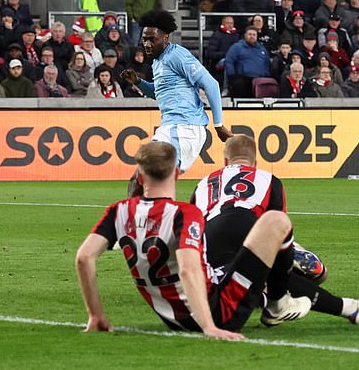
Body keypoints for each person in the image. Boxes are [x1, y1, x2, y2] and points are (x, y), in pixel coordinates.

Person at [76, 141, 304, 338]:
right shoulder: (183, 213)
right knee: (276, 221)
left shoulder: (119, 211)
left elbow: (84, 258)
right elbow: (187, 270)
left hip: (172, 318)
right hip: (218, 312)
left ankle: (274, 299)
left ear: (139, 175)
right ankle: (278, 303)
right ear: (176, 173)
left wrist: (96, 315)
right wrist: (209, 327)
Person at [191, 135, 359, 325]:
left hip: (211, 233)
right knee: (275, 273)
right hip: (248, 225)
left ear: (225, 161)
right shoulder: (269, 179)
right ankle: (278, 303)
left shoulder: (204, 182)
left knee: (235, 281)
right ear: (256, 162)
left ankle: (351, 308)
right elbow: (277, 225)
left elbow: (194, 225)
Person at [121, 10, 232, 176]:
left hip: (185, 126)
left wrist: (218, 125)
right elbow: (159, 93)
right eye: (144, 39)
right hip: (171, 126)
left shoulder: (177, 55)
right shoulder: (158, 61)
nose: (147, 44)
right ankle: (155, 202)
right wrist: (138, 82)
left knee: (153, 172)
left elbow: (211, 84)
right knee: (145, 174)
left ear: (165, 37)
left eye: (152, 39)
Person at [225, 26, 272, 98]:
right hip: (243, 78)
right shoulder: (237, 47)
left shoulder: (262, 49)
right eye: (250, 34)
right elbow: (229, 61)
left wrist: (266, 75)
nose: (252, 36)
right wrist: (232, 75)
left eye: (254, 35)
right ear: (245, 35)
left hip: (259, 79)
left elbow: (267, 63)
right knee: (239, 84)